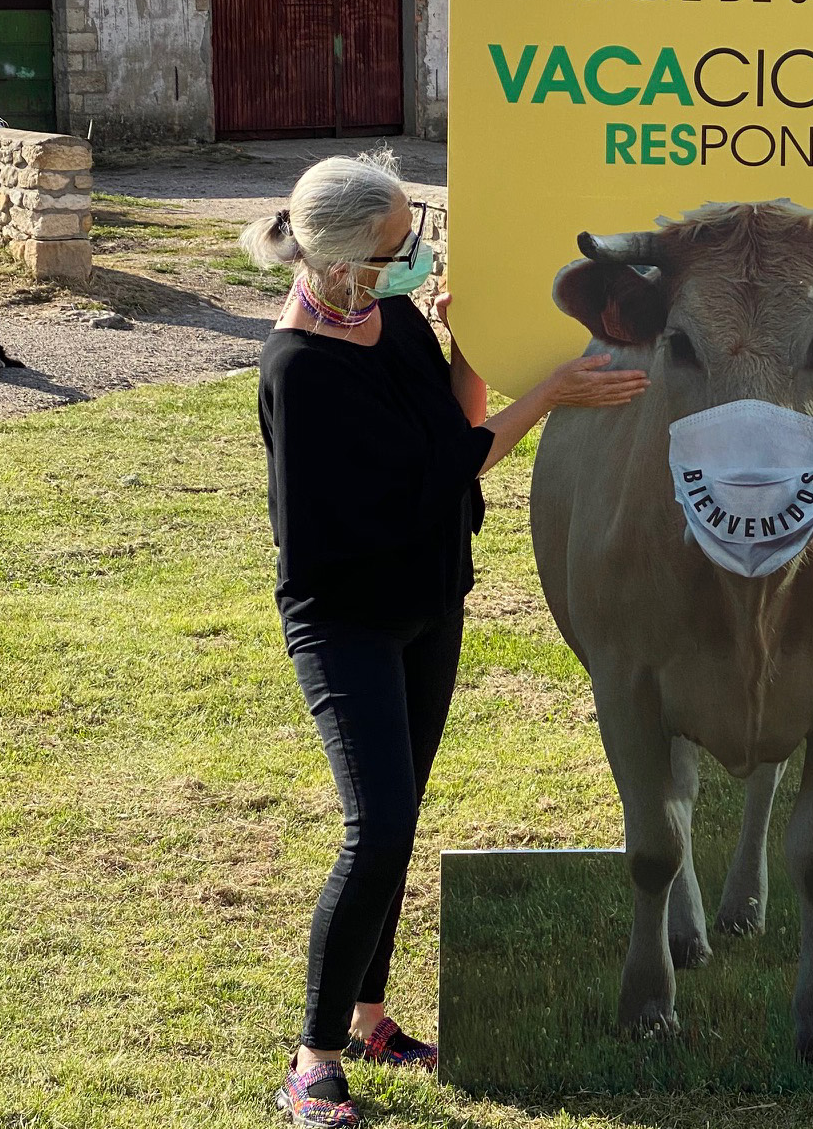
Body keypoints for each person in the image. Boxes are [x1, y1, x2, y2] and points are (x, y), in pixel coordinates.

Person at [241, 152, 647, 1128]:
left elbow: (455, 432)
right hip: (347, 621)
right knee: (376, 826)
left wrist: (469, 343)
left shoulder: (391, 319)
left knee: (401, 817)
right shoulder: (301, 370)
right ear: (341, 261)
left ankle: (370, 1018)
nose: (413, 256)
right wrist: (548, 395)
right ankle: (313, 1059)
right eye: (398, 248)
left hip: (429, 601)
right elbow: (439, 470)